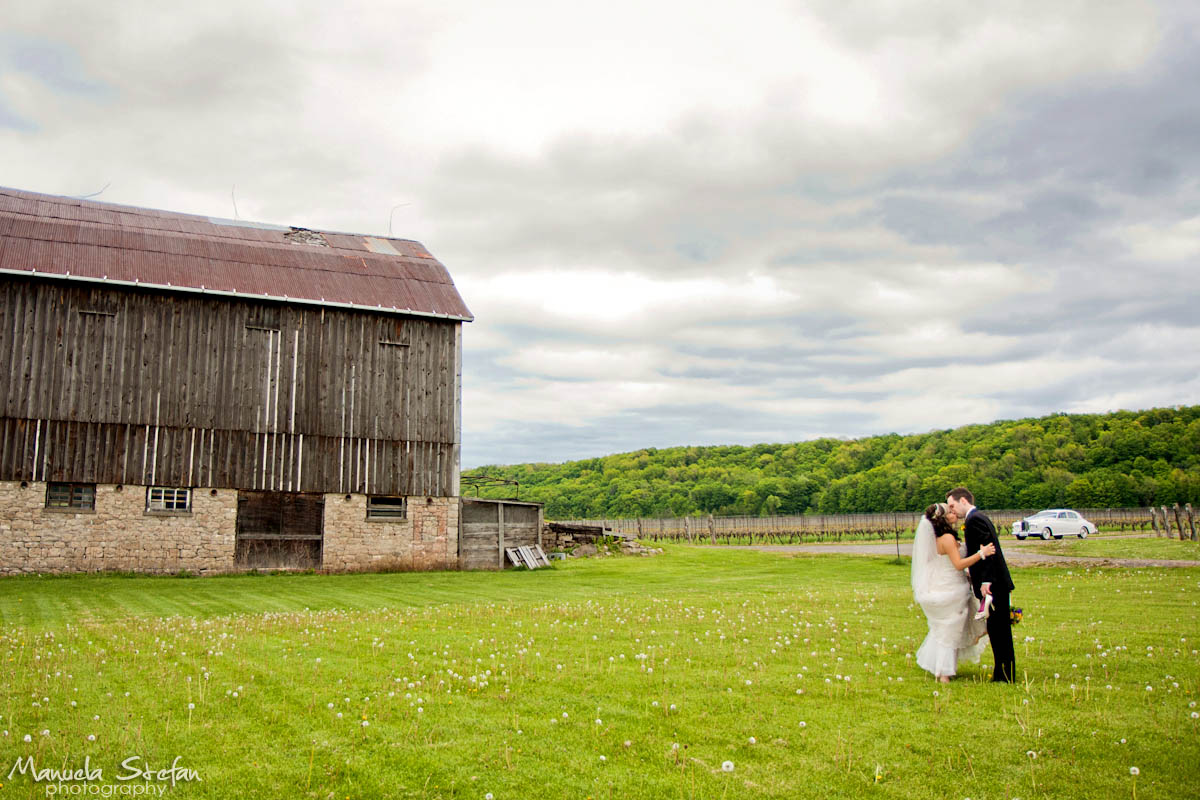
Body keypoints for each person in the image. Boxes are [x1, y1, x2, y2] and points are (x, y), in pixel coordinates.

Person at [911, 503, 994, 683]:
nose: (953, 513)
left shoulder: (935, 539)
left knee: (943, 630)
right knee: (949, 631)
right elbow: (958, 564)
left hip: (941, 585)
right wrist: (982, 553)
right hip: (950, 589)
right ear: (943, 519)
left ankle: (943, 669)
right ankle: (943, 673)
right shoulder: (947, 538)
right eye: (949, 512)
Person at [947, 487, 1016, 683]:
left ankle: (1004, 675)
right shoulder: (977, 518)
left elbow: (988, 552)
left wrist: (986, 581)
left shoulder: (974, 519)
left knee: (999, 630)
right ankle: (1003, 672)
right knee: (997, 629)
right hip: (994, 583)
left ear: (963, 501)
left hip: (993, 585)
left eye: (953, 505)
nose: (953, 511)